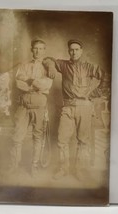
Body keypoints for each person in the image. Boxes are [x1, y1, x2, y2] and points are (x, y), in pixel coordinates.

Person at [46, 39, 104, 179]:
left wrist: (95, 93)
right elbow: (48, 59)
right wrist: (51, 67)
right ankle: (63, 168)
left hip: (84, 106)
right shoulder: (64, 65)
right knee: (62, 139)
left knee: (83, 140)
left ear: (81, 51)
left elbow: (106, 77)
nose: (74, 52)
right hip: (68, 107)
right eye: (71, 49)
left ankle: (79, 170)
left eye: (77, 49)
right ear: (68, 51)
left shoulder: (89, 66)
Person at [10, 39, 53, 177]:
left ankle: (34, 166)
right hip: (23, 104)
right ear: (31, 49)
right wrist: (35, 84)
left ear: (44, 50)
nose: (38, 51)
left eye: (41, 48)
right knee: (17, 136)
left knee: (37, 136)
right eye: (35, 48)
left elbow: (47, 85)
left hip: (39, 105)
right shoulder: (24, 65)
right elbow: (18, 83)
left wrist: (30, 80)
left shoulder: (48, 68)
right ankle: (14, 165)